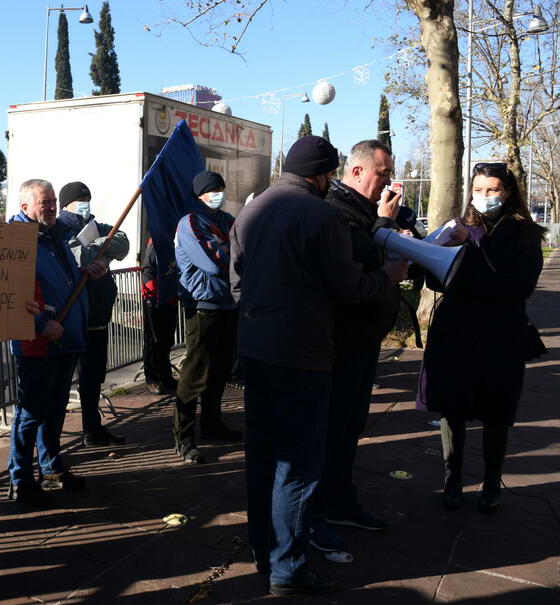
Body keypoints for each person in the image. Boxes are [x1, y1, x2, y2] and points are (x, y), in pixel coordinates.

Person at [229, 136, 407, 596]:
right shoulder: (321, 215)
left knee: (261, 455)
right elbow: (351, 289)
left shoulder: (251, 211)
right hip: (303, 355)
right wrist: (387, 275)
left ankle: (263, 552)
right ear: (324, 174)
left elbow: (237, 285)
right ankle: (288, 571)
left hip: (256, 349)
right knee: (297, 464)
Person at [418, 162, 545, 514]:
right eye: (478, 190)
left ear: (508, 192)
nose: (484, 196)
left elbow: (520, 285)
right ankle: (452, 480)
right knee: (452, 407)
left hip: (501, 335)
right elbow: (435, 279)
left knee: (497, 411)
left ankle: (491, 483)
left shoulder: (525, 234)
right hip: (454, 332)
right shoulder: (457, 227)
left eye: (492, 190)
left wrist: (468, 270)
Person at [309, 140, 404, 551]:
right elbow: (357, 263)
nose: (388, 183)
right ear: (358, 171)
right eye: (383, 174)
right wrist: (383, 227)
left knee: (350, 426)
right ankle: (316, 512)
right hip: (340, 341)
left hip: (363, 339)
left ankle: (339, 500)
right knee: (331, 429)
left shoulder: (363, 210)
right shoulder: (336, 210)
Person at [7, 179, 104, 506]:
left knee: (55, 410)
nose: (51, 207)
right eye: (44, 202)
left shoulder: (56, 236)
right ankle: (20, 480)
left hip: (65, 338)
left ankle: (50, 470)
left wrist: (90, 274)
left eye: (52, 201)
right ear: (25, 207)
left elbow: (67, 281)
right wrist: (39, 325)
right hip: (37, 343)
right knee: (31, 413)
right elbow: (11, 295)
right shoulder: (16, 241)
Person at [171, 170, 243, 465]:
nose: (220, 194)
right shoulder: (190, 222)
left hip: (228, 304)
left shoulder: (227, 220)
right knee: (195, 373)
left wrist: (229, 251)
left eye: (222, 189)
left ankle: (212, 424)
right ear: (200, 194)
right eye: (214, 190)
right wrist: (231, 253)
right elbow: (214, 263)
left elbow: (246, 250)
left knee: (220, 371)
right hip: (203, 305)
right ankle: (183, 437)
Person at [55, 181, 129, 447]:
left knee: (94, 377)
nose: (85, 205)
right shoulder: (58, 230)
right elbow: (79, 258)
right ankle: (52, 442)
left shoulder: (96, 226)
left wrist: (98, 246)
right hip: (73, 316)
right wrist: (102, 253)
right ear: (66, 205)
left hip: (98, 314)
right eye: (80, 200)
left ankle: (92, 428)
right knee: (61, 382)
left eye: (88, 200)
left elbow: (122, 243)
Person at [141, 238, 179, 395]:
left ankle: (165, 376)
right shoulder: (157, 240)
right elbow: (147, 269)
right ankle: (151, 379)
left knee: (166, 340)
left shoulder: (172, 239)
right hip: (155, 298)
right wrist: (151, 295)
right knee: (153, 341)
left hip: (169, 298)